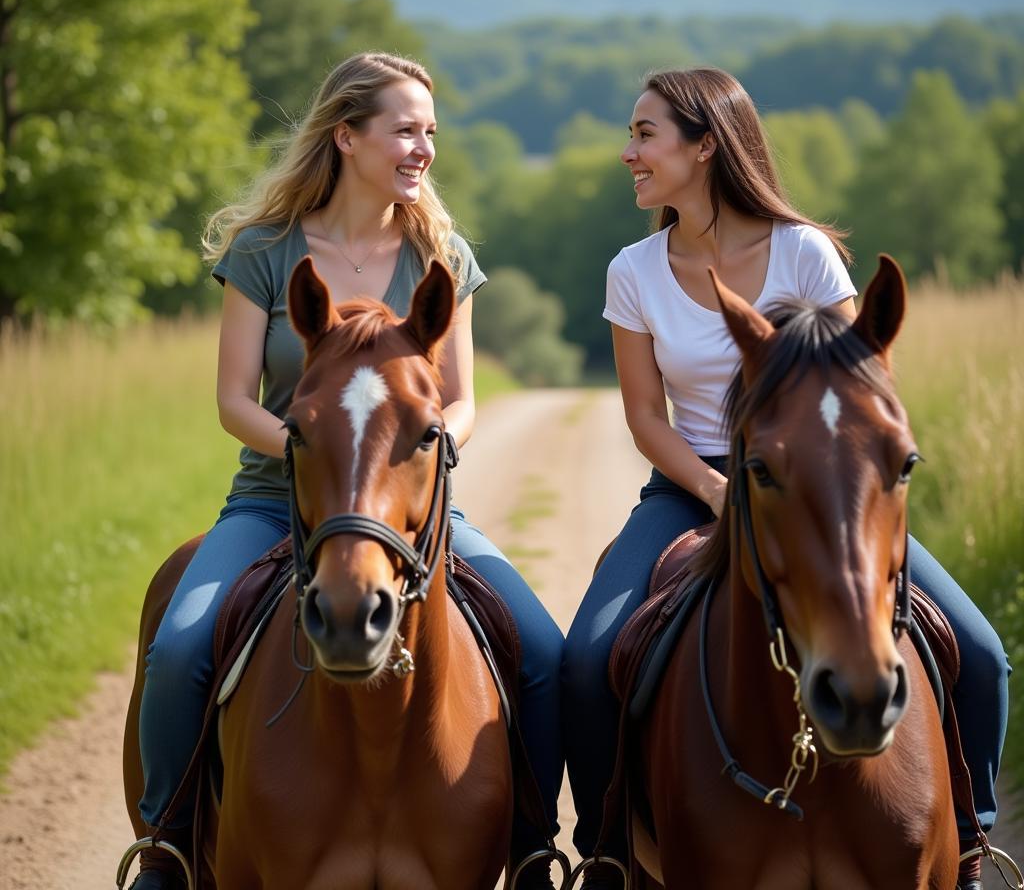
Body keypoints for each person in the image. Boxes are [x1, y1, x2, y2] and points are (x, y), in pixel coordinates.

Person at [561, 66, 1010, 889]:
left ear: (705, 146)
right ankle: (606, 857)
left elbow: (860, 391)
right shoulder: (634, 270)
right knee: (588, 661)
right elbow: (645, 418)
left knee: (978, 654)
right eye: (632, 136)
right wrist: (712, 488)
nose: (628, 153)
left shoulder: (802, 251)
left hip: (822, 488)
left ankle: (974, 845)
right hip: (691, 488)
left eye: (644, 134)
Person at [131, 52, 565, 890]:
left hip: (409, 509)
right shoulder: (266, 253)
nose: (422, 149)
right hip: (274, 501)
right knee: (180, 648)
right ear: (347, 136)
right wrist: (318, 454)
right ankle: (167, 849)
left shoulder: (441, 254)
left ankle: (538, 847)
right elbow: (233, 401)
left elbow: (462, 401)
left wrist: (409, 462)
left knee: (544, 652)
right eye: (405, 130)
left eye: (430, 132)